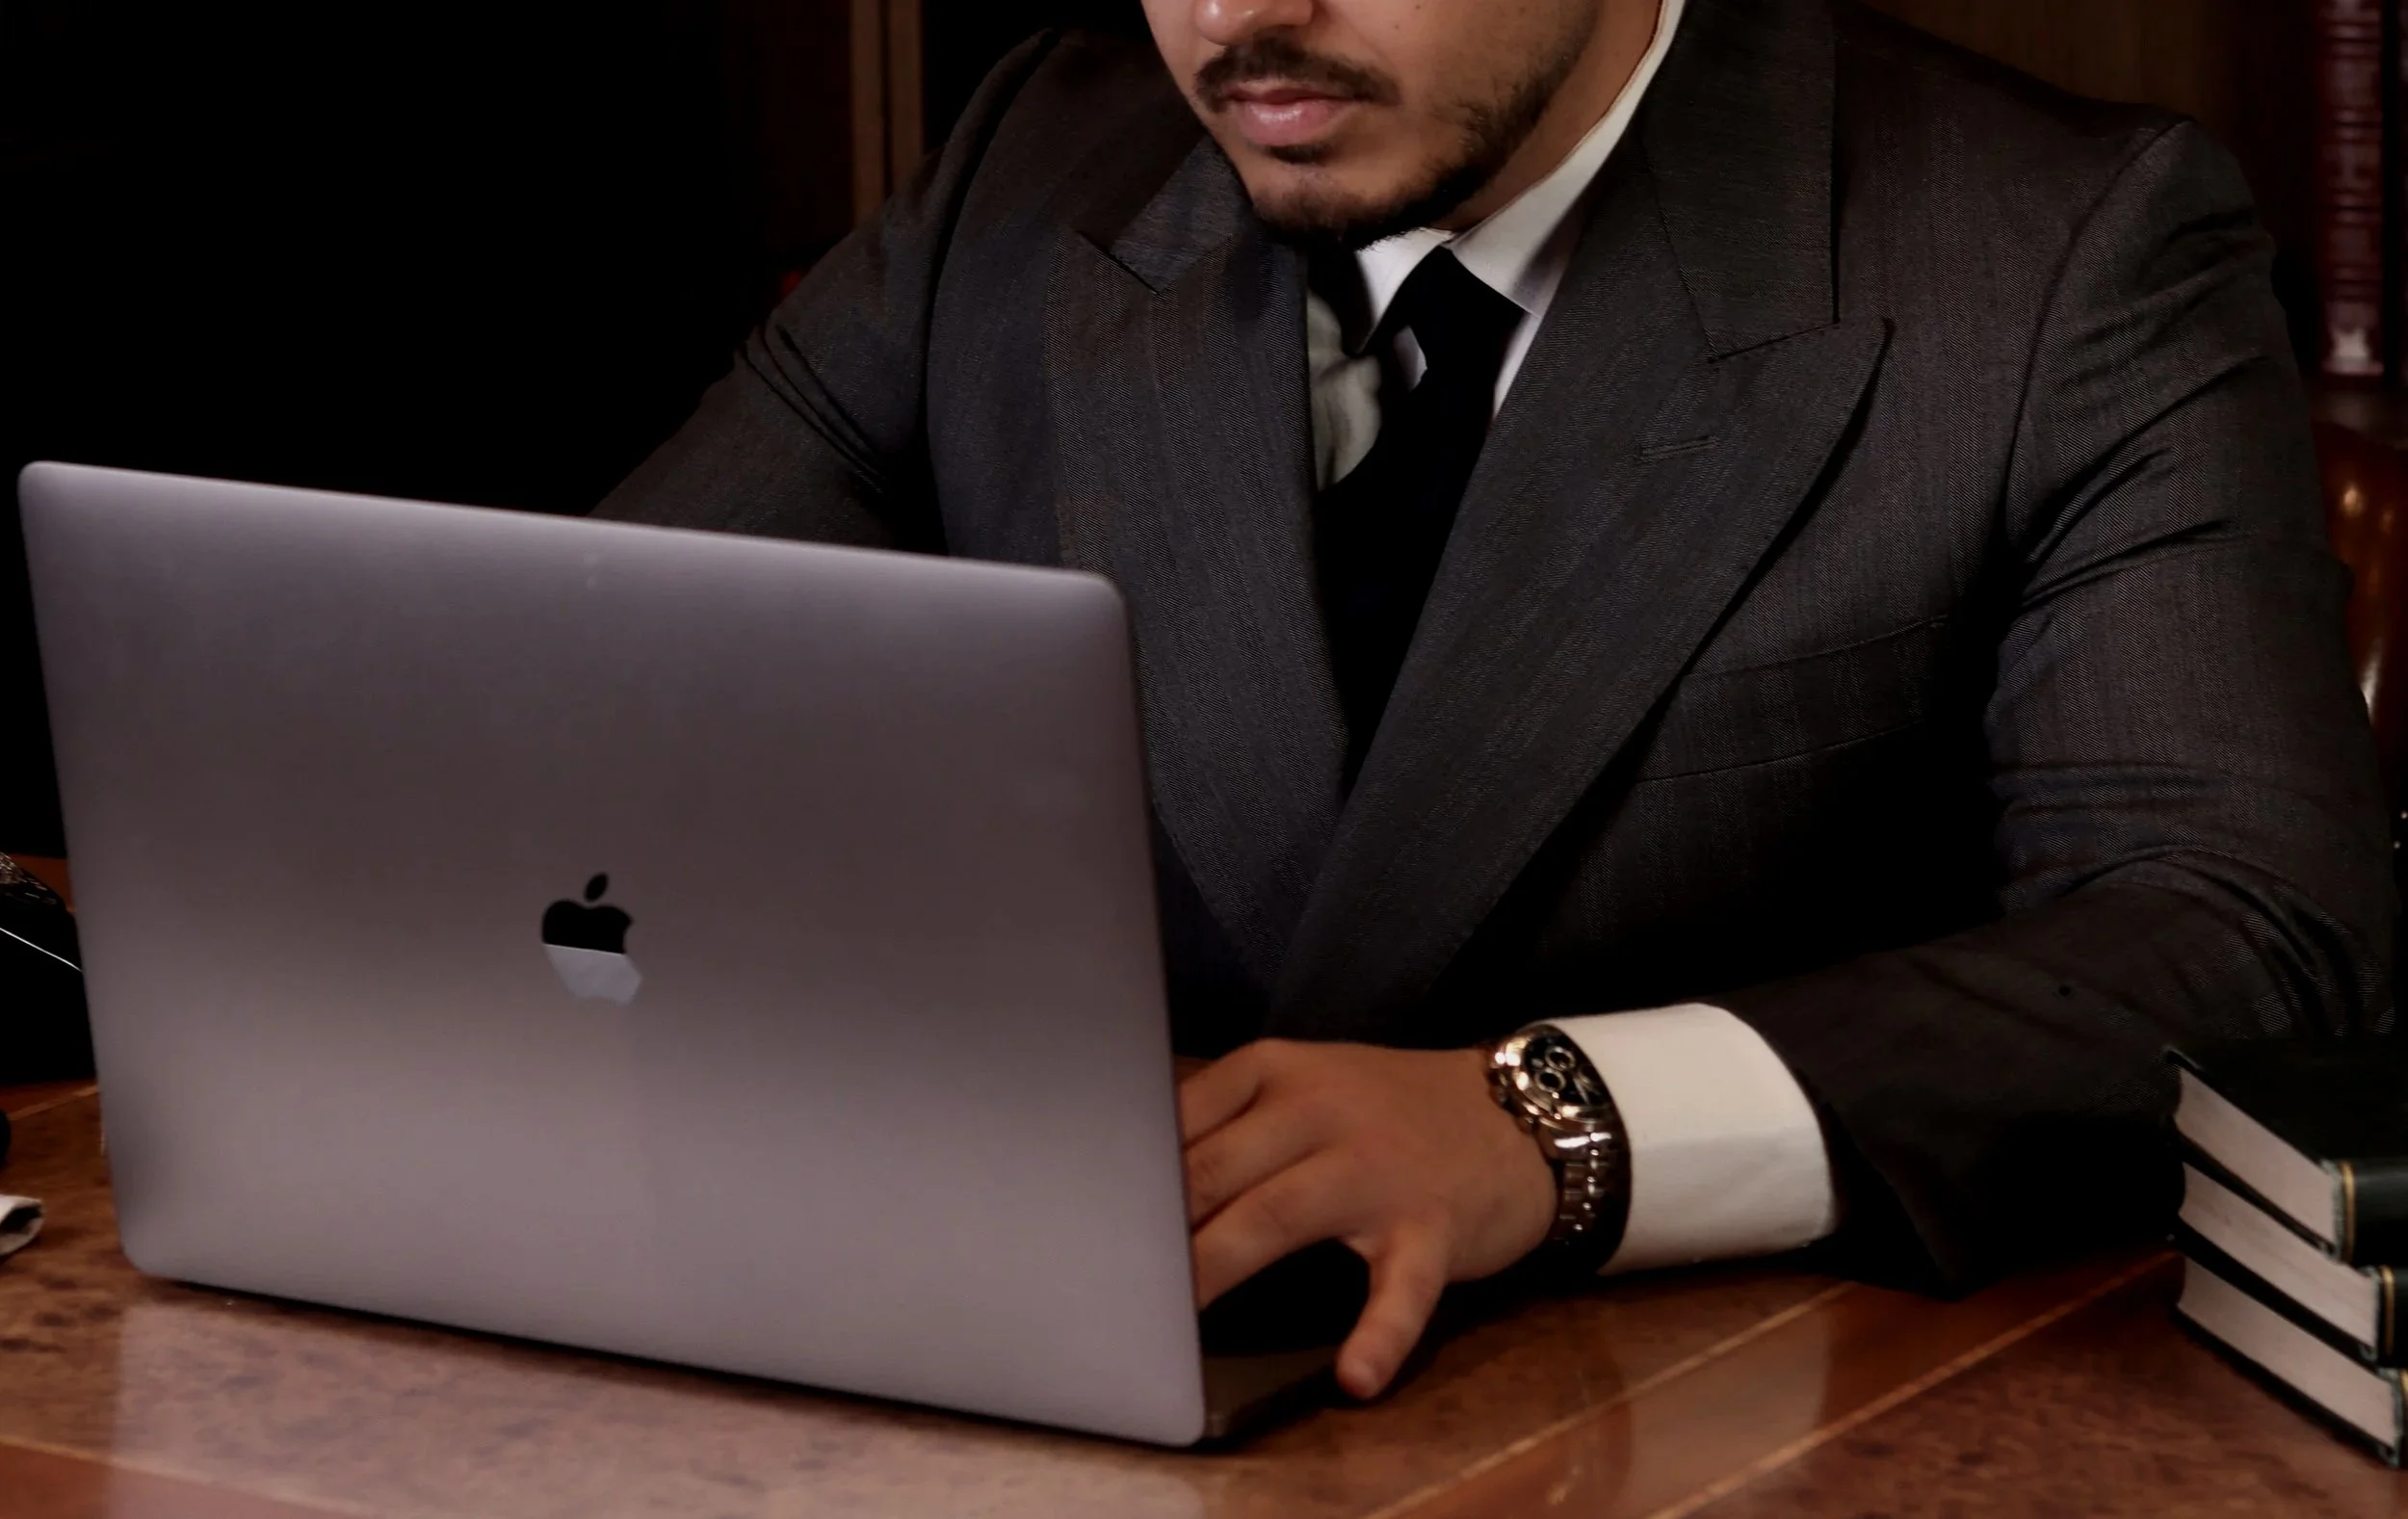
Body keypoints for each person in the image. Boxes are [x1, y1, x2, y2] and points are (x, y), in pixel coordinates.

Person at [598, 0, 2395, 1401]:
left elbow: (2245, 940)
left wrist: (1553, 1123)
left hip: (1733, 1419)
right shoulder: (1028, 170)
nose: (1243, 21)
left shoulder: (2058, 250)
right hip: (1039, 1372)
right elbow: (589, 714)